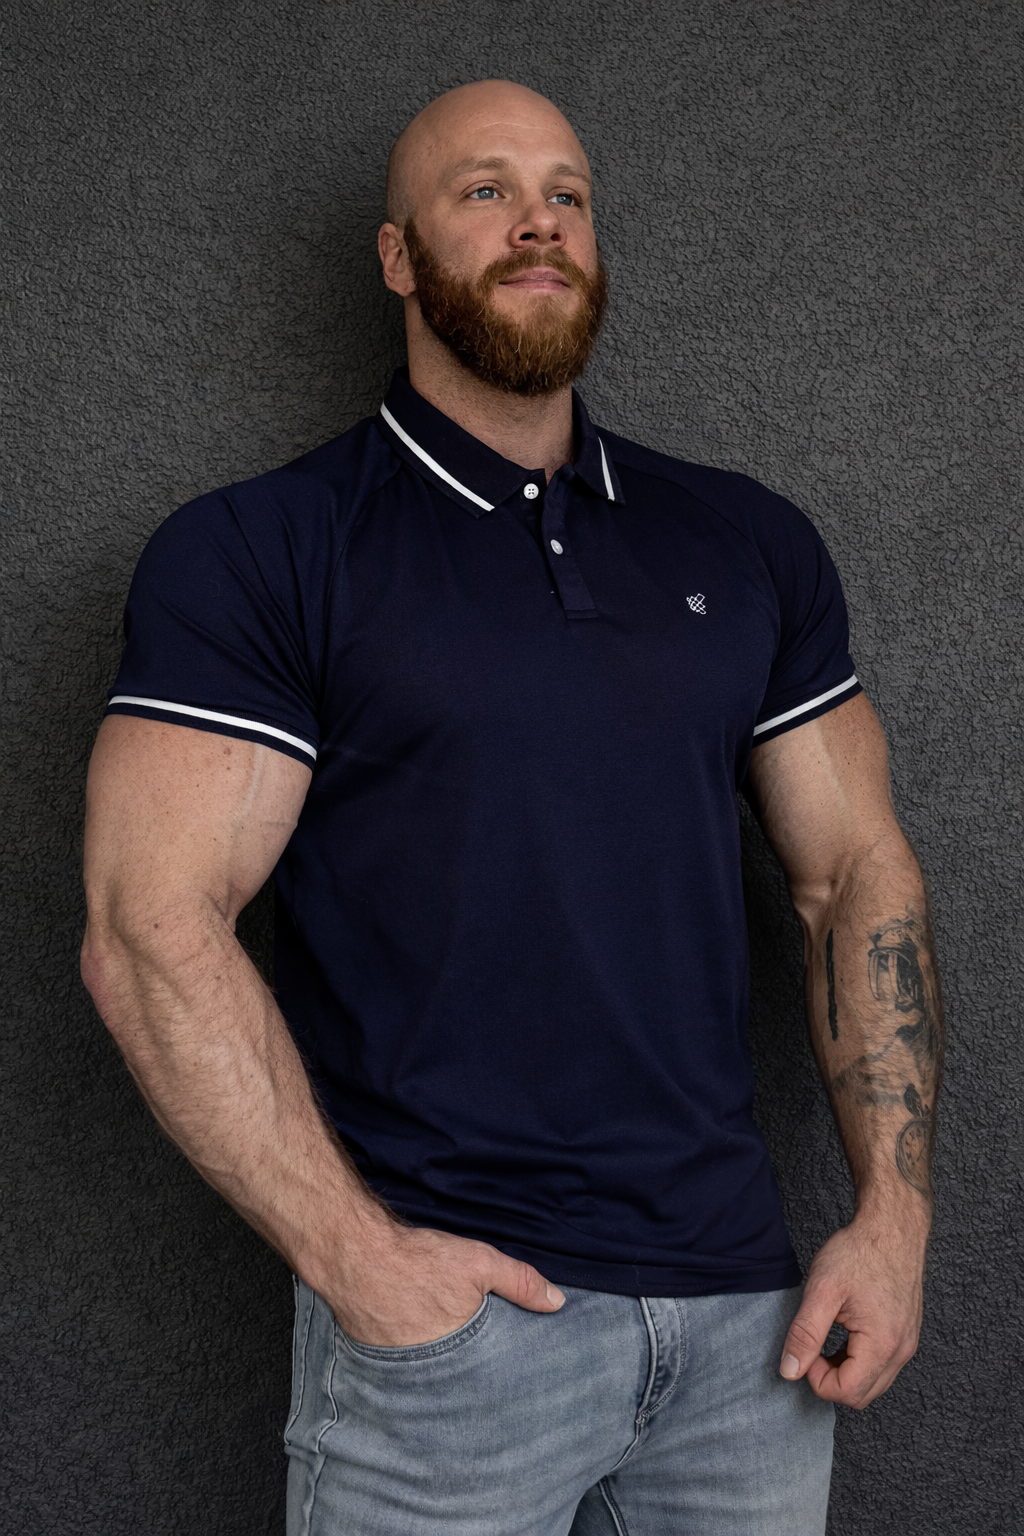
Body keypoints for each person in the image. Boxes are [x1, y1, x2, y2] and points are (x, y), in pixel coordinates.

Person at [81, 79, 944, 1536]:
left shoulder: (744, 542)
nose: (539, 222)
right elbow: (146, 927)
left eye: (567, 195)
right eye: (485, 191)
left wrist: (896, 1220)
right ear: (399, 256)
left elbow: (852, 873)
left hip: (751, 1336)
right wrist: (362, 1266)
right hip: (455, 1351)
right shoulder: (264, 550)